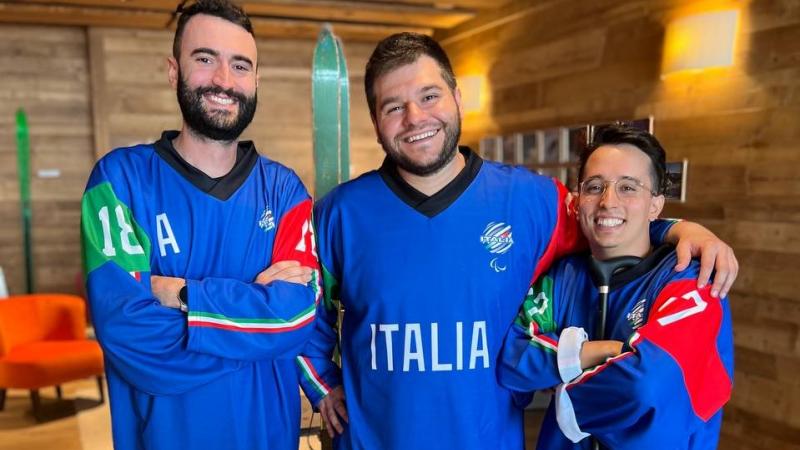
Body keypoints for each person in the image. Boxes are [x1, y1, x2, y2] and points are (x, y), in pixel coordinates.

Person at [296, 32, 737, 449]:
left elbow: (608, 220)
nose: (415, 118)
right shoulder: (340, 213)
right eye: (393, 107)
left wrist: (679, 230)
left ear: (457, 99)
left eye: (429, 96)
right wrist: (322, 385)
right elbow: (303, 312)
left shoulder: (535, 201)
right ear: (375, 122)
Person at [80, 1, 319, 449]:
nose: (224, 81)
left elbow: (297, 316)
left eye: (240, 65)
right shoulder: (118, 182)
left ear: (255, 80)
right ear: (174, 71)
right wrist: (259, 332)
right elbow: (128, 335)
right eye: (205, 59)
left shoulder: (286, 191)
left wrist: (182, 295)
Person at [498, 124, 734, 449]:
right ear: (579, 201)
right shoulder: (563, 275)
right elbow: (512, 357)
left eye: (628, 187)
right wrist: (599, 352)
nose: (608, 202)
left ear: (655, 205)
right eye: (595, 187)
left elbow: (646, 388)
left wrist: (563, 383)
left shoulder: (692, 279)